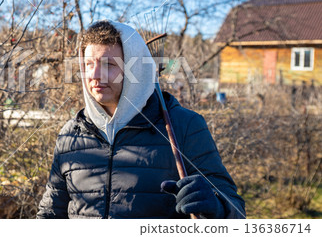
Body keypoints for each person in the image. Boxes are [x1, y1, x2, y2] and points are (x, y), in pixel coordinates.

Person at [37, 20, 245, 219]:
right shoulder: (70, 134)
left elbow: (236, 211)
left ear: (134, 69)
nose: (95, 74)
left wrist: (216, 208)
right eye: (89, 64)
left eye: (109, 64)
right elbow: (50, 215)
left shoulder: (184, 126)